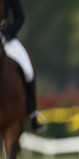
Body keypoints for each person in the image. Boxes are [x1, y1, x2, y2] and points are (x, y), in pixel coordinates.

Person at [1, 0, 45, 132]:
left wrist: (8, 32)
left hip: (6, 38)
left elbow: (20, 17)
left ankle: (32, 114)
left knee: (28, 69)